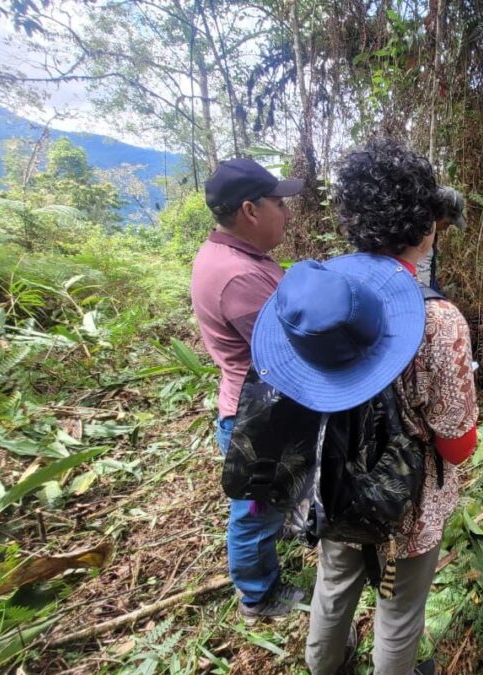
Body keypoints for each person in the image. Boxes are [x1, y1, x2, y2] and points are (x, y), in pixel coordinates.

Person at [252, 139, 478, 675]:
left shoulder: (318, 293)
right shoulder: (441, 323)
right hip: (405, 497)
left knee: (335, 581)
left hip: (330, 479)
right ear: (428, 226)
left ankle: (323, 666)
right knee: (398, 610)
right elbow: (458, 443)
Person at [189, 158, 306, 622]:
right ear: (250, 211)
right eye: (279, 204)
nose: (287, 213)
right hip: (257, 419)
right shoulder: (238, 277)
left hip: (253, 404)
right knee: (255, 511)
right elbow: (290, 348)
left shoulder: (236, 258)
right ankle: (259, 597)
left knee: (267, 501)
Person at [414, 186, 467, 289]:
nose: (447, 227)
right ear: (439, 212)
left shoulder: (431, 228)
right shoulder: (424, 230)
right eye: (448, 222)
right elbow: (422, 271)